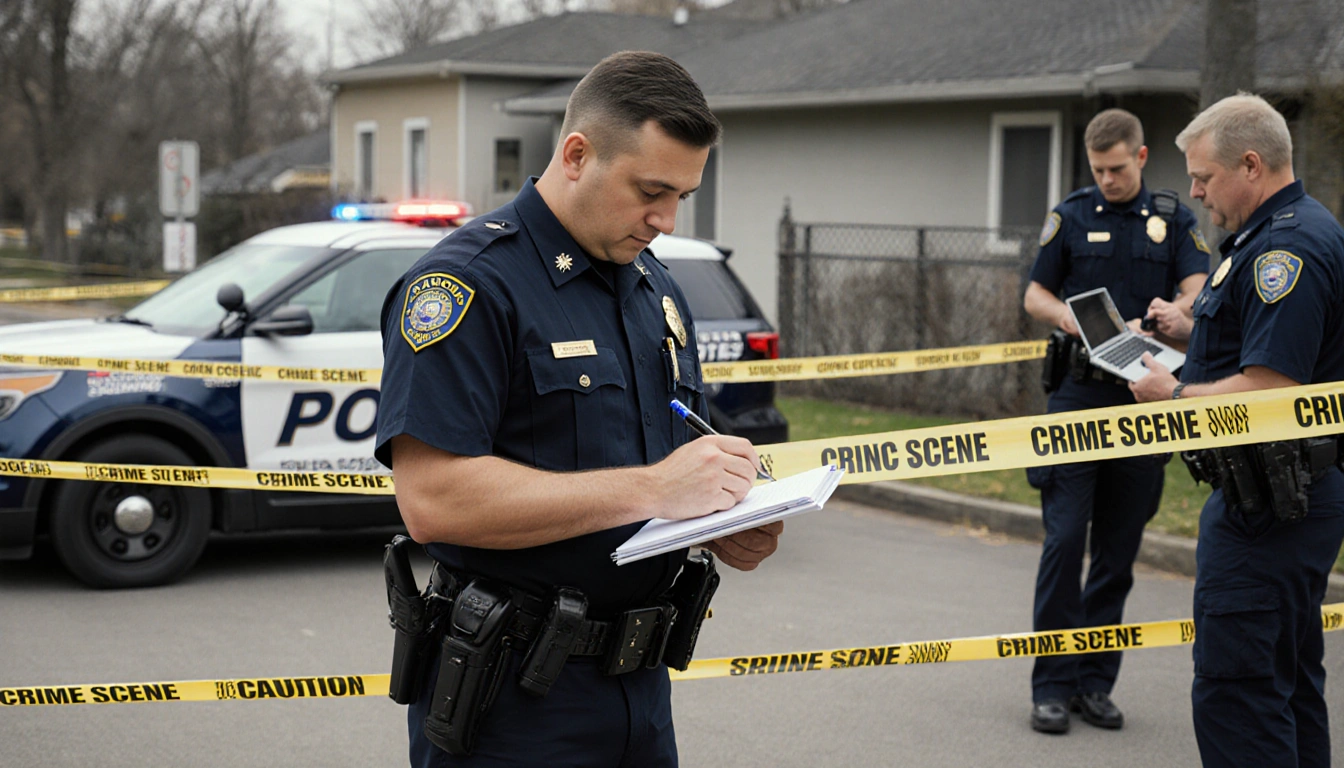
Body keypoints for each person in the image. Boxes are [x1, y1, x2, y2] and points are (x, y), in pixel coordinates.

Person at [375, 51, 784, 767]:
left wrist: (731, 516)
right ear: (575, 154)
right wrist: (655, 489)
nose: (666, 218)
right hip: (511, 701)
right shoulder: (467, 284)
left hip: (641, 688)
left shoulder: (653, 287)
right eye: (651, 190)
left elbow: (680, 445)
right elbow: (433, 500)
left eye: (683, 195)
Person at [1130, 93, 1344, 768]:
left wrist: (1174, 393)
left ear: (1251, 165)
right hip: (1280, 500)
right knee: (1287, 684)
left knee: (1240, 695)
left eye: (1204, 177)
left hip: (1270, 509)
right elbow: (1265, 343)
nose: (1194, 192)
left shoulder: (1288, 250)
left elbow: (1272, 389)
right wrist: (1190, 332)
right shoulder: (1280, 233)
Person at [1021, 108, 1210, 734]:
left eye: (1117, 168)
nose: (1106, 179)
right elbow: (1035, 294)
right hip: (1078, 393)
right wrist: (1074, 320)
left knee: (1117, 551)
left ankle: (1095, 683)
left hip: (1145, 401)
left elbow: (1198, 286)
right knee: (1064, 539)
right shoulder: (1071, 214)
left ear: (1142, 156)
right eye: (1098, 169)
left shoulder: (1173, 217)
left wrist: (1172, 309)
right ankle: (1049, 686)